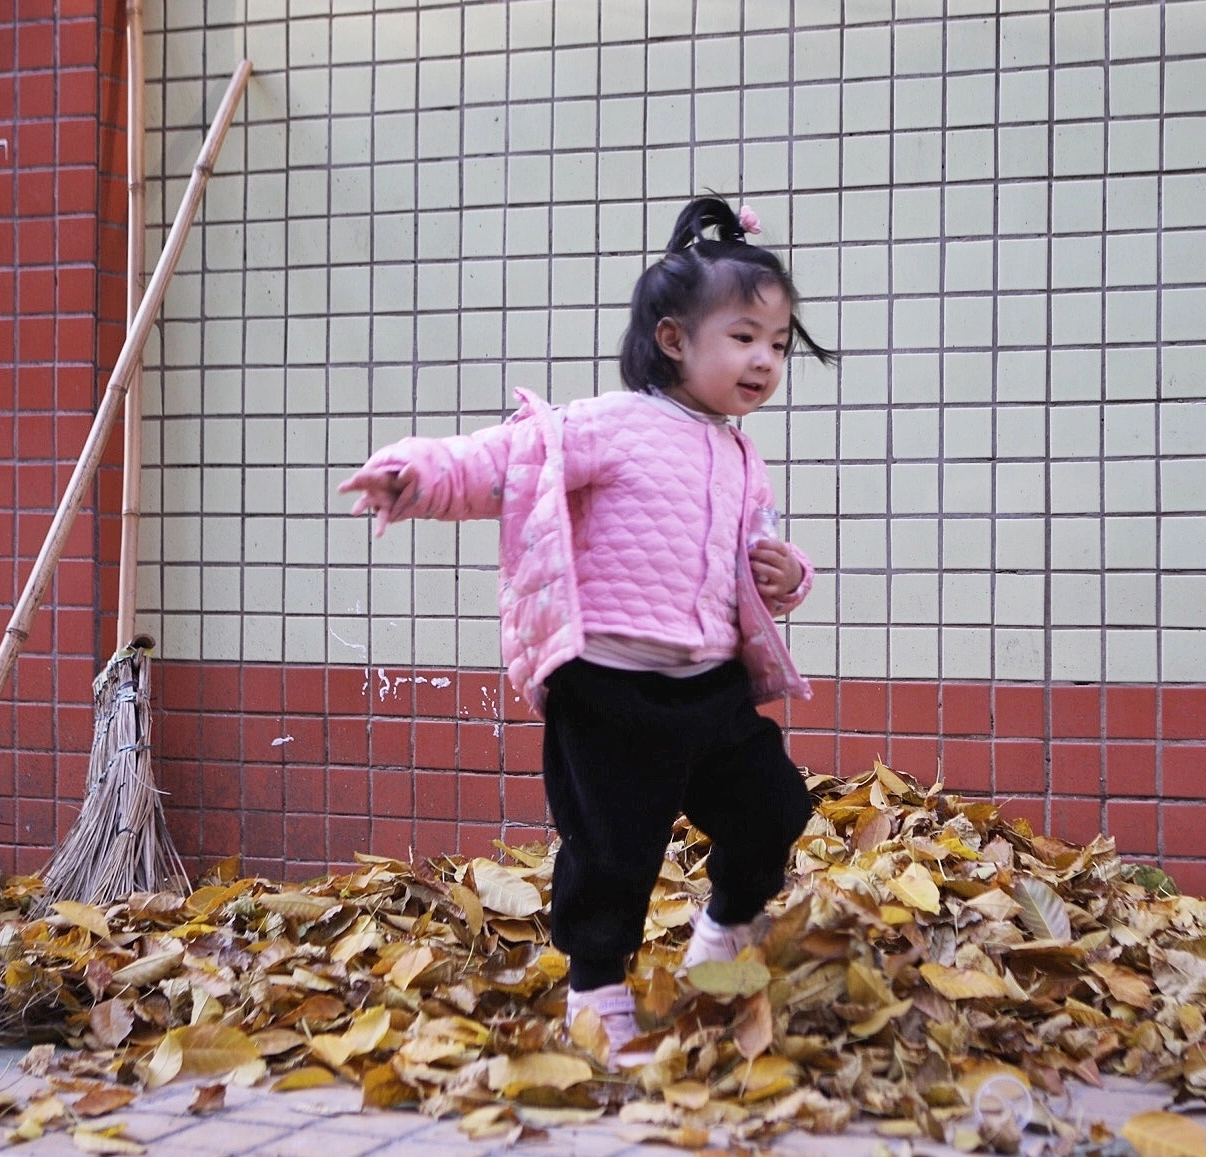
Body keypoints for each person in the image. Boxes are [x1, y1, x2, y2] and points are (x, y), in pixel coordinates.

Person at [338, 196, 836, 1059]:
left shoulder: (741, 455)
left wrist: (788, 575)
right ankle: (595, 988)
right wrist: (420, 472)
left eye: (779, 344)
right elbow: (507, 460)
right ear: (675, 338)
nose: (765, 360)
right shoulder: (614, 423)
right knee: (613, 850)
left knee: (774, 806)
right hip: (609, 688)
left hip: (707, 686)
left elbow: (753, 560)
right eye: (745, 337)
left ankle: (722, 931)